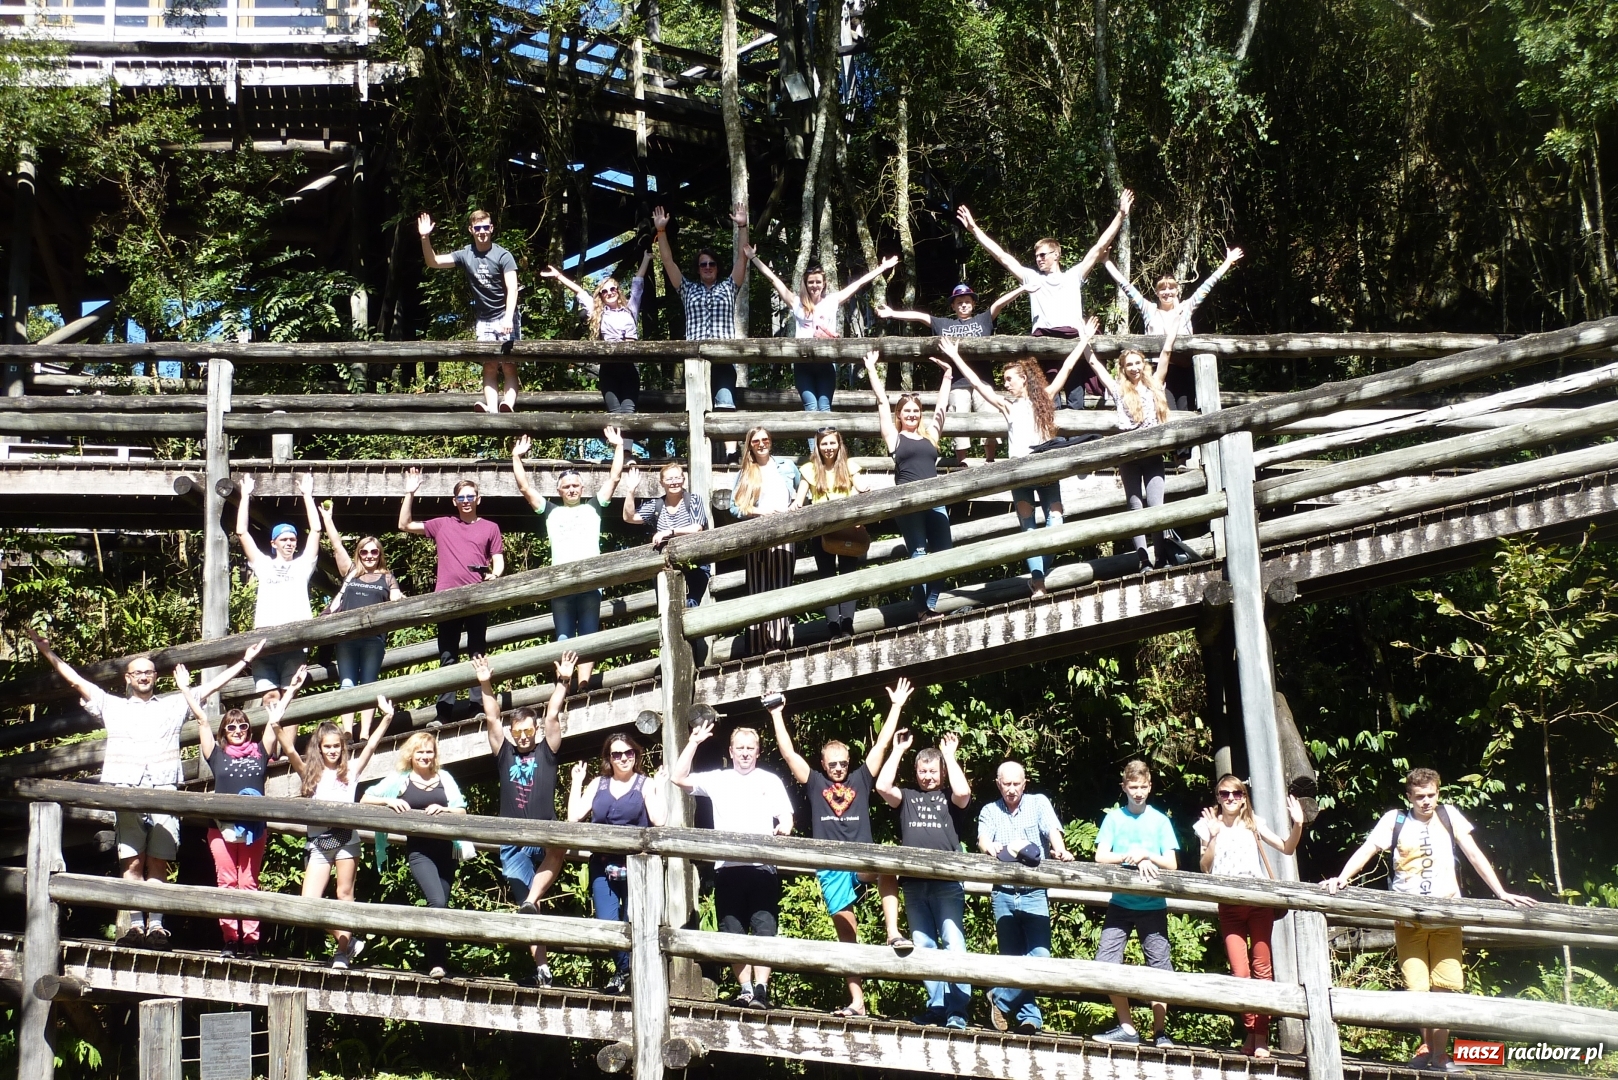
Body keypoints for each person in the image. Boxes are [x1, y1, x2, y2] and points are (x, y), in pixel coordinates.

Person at [24, 628, 263, 950]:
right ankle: (136, 924)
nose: (144, 677)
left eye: (149, 672)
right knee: (132, 861)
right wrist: (47, 653)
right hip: (126, 791)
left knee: (159, 861)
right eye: (138, 672)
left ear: (155, 677)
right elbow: (76, 681)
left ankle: (158, 927)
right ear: (128, 677)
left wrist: (244, 660)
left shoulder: (173, 705)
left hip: (164, 792)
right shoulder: (112, 705)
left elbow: (209, 687)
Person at [1324, 767, 1536, 1072]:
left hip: (1448, 918)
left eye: (1431, 795)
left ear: (1439, 792)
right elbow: (1368, 849)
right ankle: (1427, 1048)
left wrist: (1501, 892)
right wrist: (1342, 877)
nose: (1426, 801)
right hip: (1408, 920)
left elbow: (1474, 854)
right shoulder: (1395, 820)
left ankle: (1439, 1054)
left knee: (1446, 987)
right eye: (1420, 796)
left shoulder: (1449, 816)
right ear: (1409, 796)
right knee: (1417, 989)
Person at [769, 682, 913, 1018]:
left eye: (843, 764)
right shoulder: (816, 782)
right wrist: (777, 714)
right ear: (823, 763)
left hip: (862, 857)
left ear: (849, 762)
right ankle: (857, 1002)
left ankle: (893, 933)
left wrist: (896, 705)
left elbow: (880, 745)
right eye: (832, 764)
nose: (838, 769)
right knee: (847, 934)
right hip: (831, 864)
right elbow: (789, 754)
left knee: (887, 862)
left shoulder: (861, 779)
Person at [941, 319, 1097, 597]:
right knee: (1028, 528)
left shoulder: (1045, 398)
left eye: (1009, 380)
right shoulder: (1007, 407)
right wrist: (955, 356)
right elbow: (978, 384)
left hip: (1046, 467)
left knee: (1056, 523)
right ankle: (1038, 583)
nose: (1006, 385)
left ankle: (1038, 574)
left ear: (1024, 378)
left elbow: (1068, 367)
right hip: (1018, 472)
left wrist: (1083, 340)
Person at [957, 191, 1133, 405]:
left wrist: (1121, 215)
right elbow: (1002, 257)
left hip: (1072, 343)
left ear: (1056, 255)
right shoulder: (1032, 278)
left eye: (1043, 255)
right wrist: (974, 229)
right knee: (1050, 404)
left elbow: (1097, 249)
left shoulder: (1073, 276)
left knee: (1076, 400)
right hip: (1044, 346)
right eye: (1036, 256)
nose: (1038, 259)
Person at [177, 662, 301, 958]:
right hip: (219, 826)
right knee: (227, 882)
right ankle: (231, 940)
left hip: (253, 827)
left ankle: (252, 941)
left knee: (248, 882)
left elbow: (275, 722)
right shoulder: (216, 754)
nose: (237, 730)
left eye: (242, 726)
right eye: (231, 727)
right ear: (225, 731)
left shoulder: (260, 752)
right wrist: (184, 688)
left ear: (248, 729)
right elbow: (202, 721)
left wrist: (292, 689)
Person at [670, 717, 794, 1010]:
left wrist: (785, 826)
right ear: (731, 749)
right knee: (732, 930)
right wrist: (694, 742)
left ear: (758, 751)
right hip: (726, 868)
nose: (745, 752)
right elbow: (678, 777)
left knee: (765, 930)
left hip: (762, 867)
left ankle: (762, 991)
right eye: (740, 747)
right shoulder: (719, 778)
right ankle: (746, 990)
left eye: (751, 747)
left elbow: (786, 815)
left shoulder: (769, 780)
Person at [476, 651, 575, 988]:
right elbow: (492, 719)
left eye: (526, 730)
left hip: (544, 832)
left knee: (558, 847)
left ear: (534, 730)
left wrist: (563, 681)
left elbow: (552, 715)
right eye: (517, 731)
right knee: (527, 907)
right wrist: (486, 682)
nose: (522, 736)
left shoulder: (547, 750)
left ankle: (533, 902)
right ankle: (543, 969)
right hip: (513, 841)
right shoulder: (504, 752)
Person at [275, 702, 396, 969]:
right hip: (318, 842)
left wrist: (386, 717)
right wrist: (275, 725)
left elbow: (372, 746)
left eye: (336, 746)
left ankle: (341, 952)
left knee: (344, 894)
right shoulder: (311, 772)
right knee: (308, 903)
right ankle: (349, 941)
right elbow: (290, 750)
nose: (332, 751)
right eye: (327, 746)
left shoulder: (350, 771)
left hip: (346, 840)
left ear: (343, 747)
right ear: (319, 748)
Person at [1193, 775, 1306, 1057]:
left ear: (1244, 796)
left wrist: (1298, 824)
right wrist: (1214, 835)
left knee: (1262, 969)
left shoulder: (1254, 822)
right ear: (1217, 797)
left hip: (1258, 903)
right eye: (1224, 794)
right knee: (1240, 973)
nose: (1230, 799)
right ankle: (1250, 1030)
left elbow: (1287, 847)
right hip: (1228, 904)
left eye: (1236, 793)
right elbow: (1205, 867)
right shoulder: (1208, 825)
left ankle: (1260, 1036)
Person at [512, 429, 627, 688]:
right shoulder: (550, 511)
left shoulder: (593, 508)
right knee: (563, 636)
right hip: (560, 582)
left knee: (588, 636)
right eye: (567, 487)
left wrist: (618, 446)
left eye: (575, 485)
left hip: (590, 582)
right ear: (559, 490)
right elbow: (524, 487)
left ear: (582, 487)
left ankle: (584, 687)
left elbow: (615, 477)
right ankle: (564, 684)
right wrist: (516, 457)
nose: (572, 489)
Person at [874, 729, 973, 1029]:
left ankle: (958, 1011)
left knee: (953, 943)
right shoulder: (907, 797)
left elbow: (964, 793)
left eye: (933, 771)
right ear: (915, 772)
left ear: (941, 771)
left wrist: (950, 756)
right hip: (914, 885)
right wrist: (899, 750)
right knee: (923, 944)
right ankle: (937, 1008)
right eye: (922, 771)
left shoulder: (949, 797)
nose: (928, 777)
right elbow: (881, 785)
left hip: (947, 884)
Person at [874, 282, 1025, 464]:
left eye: (967, 301)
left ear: (973, 304)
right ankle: (962, 463)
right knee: (958, 418)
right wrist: (892, 313)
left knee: (989, 416)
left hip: (982, 380)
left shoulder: (983, 320)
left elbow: (998, 304)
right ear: (953, 306)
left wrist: (1022, 288)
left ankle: (990, 460)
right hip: (957, 382)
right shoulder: (944, 324)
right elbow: (920, 317)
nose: (963, 304)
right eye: (959, 302)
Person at [978, 760, 1076, 1034]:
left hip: (1034, 893)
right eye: (1006, 784)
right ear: (998, 784)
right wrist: (990, 847)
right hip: (1004, 894)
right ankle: (1029, 1017)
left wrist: (1060, 850)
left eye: (1016, 784)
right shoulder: (989, 810)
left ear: (1025, 783)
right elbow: (982, 838)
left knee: (1040, 956)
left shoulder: (1038, 803)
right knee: (1012, 959)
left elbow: (1051, 830)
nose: (1011, 790)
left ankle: (1000, 997)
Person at [361, 730, 469, 979]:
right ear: (411, 754)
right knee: (437, 902)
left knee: (441, 905)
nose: (425, 756)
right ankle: (436, 963)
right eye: (420, 751)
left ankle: (437, 962)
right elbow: (366, 798)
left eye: (429, 751)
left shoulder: (444, 777)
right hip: (420, 851)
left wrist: (444, 809)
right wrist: (389, 802)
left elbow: (461, 810)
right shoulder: (401, 779)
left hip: (447, 851)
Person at [566, 731, 667, 994]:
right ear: (608, 758)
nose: (623, 758)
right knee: (608, 923)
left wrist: (660, 786)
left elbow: (658, 820)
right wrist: (577, 782)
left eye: (628, 753)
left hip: (637, 865)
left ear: (636, 754)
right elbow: (574, 816)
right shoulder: (598, 784)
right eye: (617, 754)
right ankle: (625, 970)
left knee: (633, 921)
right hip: (601, 863)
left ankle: (636, 975)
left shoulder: (644, 784)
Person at [399, 469, 504, 722]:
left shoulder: (490, 528)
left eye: (470, 496)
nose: (466, 501)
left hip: (477, 596)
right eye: (461, 497)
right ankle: (444, 712)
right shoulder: (443, 524)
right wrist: (410, 492)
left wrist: (495, 575)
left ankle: (477, 707)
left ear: (478, 499)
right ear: (454, 501)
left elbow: (498, 561)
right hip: (445, 599)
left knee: (477, 653)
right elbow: (404, 525)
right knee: (448, 656)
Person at [861, 349, 956, 620]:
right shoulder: (895, 438)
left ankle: (931, 604)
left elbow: (941, 409)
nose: (912, 415)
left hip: (935, 500)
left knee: (945, 554)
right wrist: (871, 369)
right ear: (899, 415)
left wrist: (948, 376)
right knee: (918, 552)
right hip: (908, 501)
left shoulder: (930, 436)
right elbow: (881, 402)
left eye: (915, 411)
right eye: (907, 411)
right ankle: (922, 610)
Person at [744, 248, 898, 411]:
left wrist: (882, 268)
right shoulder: (796, 303)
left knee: (824, 407)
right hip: (803, 362)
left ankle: (827, 437)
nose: (814, 285)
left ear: (824, 284)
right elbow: (774, 280)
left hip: (826, 361)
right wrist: (753, 257)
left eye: (818, 282)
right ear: (805, 283)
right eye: (811, 282)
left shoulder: (832, 301)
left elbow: (858, 283)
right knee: (811, 408)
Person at [1093, 759, 1180, 1047]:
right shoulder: (1114, 819)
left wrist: (1147, 855)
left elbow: (1171, 863)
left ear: (1150, 786)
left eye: (1143, 787)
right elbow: (1101, 856)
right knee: (1105, 962)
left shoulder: (1160, 821)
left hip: (1153, 906)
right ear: (1124, 788)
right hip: (1120, 903)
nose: (1139, 792)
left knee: (1159, 968)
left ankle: (1160, 1032)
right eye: (1133, 787)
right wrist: (1129, 855)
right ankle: (1127, 1027)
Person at [1103, 246, 1243, 411]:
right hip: (1158, 372)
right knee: (1166, 411)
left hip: (1185, 370)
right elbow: (1126, 286)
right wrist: (1106, 262)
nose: (1167, 292)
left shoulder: (1186, 308)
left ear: (1177, 290)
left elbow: (1208, 285)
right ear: (1157, 292)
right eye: (1162, 289)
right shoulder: (1149, 311)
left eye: (1171, 288)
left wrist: (1227, 262)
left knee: (1187, 412)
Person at [1087, 322, 1180, 568]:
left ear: (1143, 364)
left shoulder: (1155, 385)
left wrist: (1173, 328)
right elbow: (1094, 363)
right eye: (1129, 364)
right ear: (1123, 369)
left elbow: (1166, 354)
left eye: (1138, 362)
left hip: (1153, 453)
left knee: (1156, 504)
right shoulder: (1118, 390)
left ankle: (1161, 556)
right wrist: (1084, 337)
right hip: (1128, 455)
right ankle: (1143, 559)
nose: (1134, 368)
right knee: (1135, 504)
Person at [418, 209, 520, 413]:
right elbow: (433, 262)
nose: (482, 232)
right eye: (478, 228)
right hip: (484, 319)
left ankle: (508, 404)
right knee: (489, 365)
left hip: (505, 314)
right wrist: (424, 237)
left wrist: (508, 317)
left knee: (509, 365)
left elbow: (513, 287)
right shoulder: (466, 254)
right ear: (471, 230)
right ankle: (492, 410)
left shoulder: (503, 255)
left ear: (491, 229)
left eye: (485, 227)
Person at [318, 502, 406, 739]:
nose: (369, 556)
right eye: (364, 552)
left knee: (369, 684)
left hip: (373, 639)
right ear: (359, 554)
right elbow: (336, 546)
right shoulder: (351, 572)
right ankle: (347, 731)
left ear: (380, 555)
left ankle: (365, 733)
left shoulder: (387, 577)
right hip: (346, 637)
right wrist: (327, 519)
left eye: (374, 552)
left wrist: (400, 599)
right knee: (347, 683)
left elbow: (396, 597)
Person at [652, 203, 750, 412]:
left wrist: (742, 227)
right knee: (698, 412)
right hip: (695, 360)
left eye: (711, 264)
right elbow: (668, 262)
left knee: (725, 407)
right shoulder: (687, 288)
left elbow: (742, 259)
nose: (707, 267)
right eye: (703, 264)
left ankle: (730, 447)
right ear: (697, 269)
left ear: (717, 267)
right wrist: (661, 231)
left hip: (724, 357)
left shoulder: (729, 286)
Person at [235, 472, 320, 709]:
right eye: (284, 540)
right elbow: (242, 532)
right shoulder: (263, 564)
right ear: (273, 543)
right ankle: (271, 748)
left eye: (292, 539)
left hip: (295, 639)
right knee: (270, 698)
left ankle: (289, 748)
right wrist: (244, 496)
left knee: (289, 697)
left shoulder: (303, 565)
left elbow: (315, 531)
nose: (290, 543)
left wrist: (307, 496)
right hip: (264, 640)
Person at [541, 252, 654, 416]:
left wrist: (645, 259)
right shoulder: (598, 312)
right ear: (601, 295)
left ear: (618, 291)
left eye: (613, 289)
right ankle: (617, 441)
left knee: (628, 413)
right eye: (604, 291)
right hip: (609, 368)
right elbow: (580, 292)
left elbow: (637, 284)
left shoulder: (630, 309)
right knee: (614, 414)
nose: (609, 292)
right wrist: (559, 276)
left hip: (630, 367)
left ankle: (625, 441)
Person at [728, 425, 802, 655]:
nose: (761, 444)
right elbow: (734, 507)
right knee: (758, 590)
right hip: (756, 536)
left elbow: (802, 493)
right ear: (749, 445)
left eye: (765, 439)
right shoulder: (745, 472)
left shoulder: (787, 467)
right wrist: (760, 512)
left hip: (785, 533)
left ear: (771, 441)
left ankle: (778, 646)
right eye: (756, 441)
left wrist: (793, 507)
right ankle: (758, 649)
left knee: (781, 588)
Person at [792, 427, 871, 636]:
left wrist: (857, 491)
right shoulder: (809, 469)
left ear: (839, 444)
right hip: (821, 531)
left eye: (832, 443)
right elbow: (798, 502)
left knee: (848, 576)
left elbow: (864, 489)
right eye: (824, 443)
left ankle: (847, 625)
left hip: (848, 529)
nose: (828, 448)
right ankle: (833, 627)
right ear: (817, 446)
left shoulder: (849, 466)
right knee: (827, 576)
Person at [622, 457, 711, 607]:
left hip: (696, 565)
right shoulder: (657, 505)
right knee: (668, 609)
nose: (674, 482)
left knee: (690, 606)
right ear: (662, 483)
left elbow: (697, 528)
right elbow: (629, 517)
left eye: (678, 477)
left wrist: (669, 532)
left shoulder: (694, 500)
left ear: (684, 479)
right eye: (669, 479)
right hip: (666, 567)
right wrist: (631, 491)